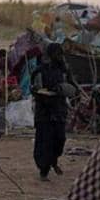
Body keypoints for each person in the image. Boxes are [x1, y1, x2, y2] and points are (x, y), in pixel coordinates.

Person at [31, 42, 75, 180]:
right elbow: (35, 89)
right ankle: (44, 170)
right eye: (56, 54)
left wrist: (62, 89)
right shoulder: (40, 70)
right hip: (44, 111)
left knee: (60, 139)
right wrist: (40, 92)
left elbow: (73, 88)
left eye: (60, 54)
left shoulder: (64, 71)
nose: (59, 56)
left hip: (59, 110)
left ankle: (53, 161)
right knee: (44, 141)